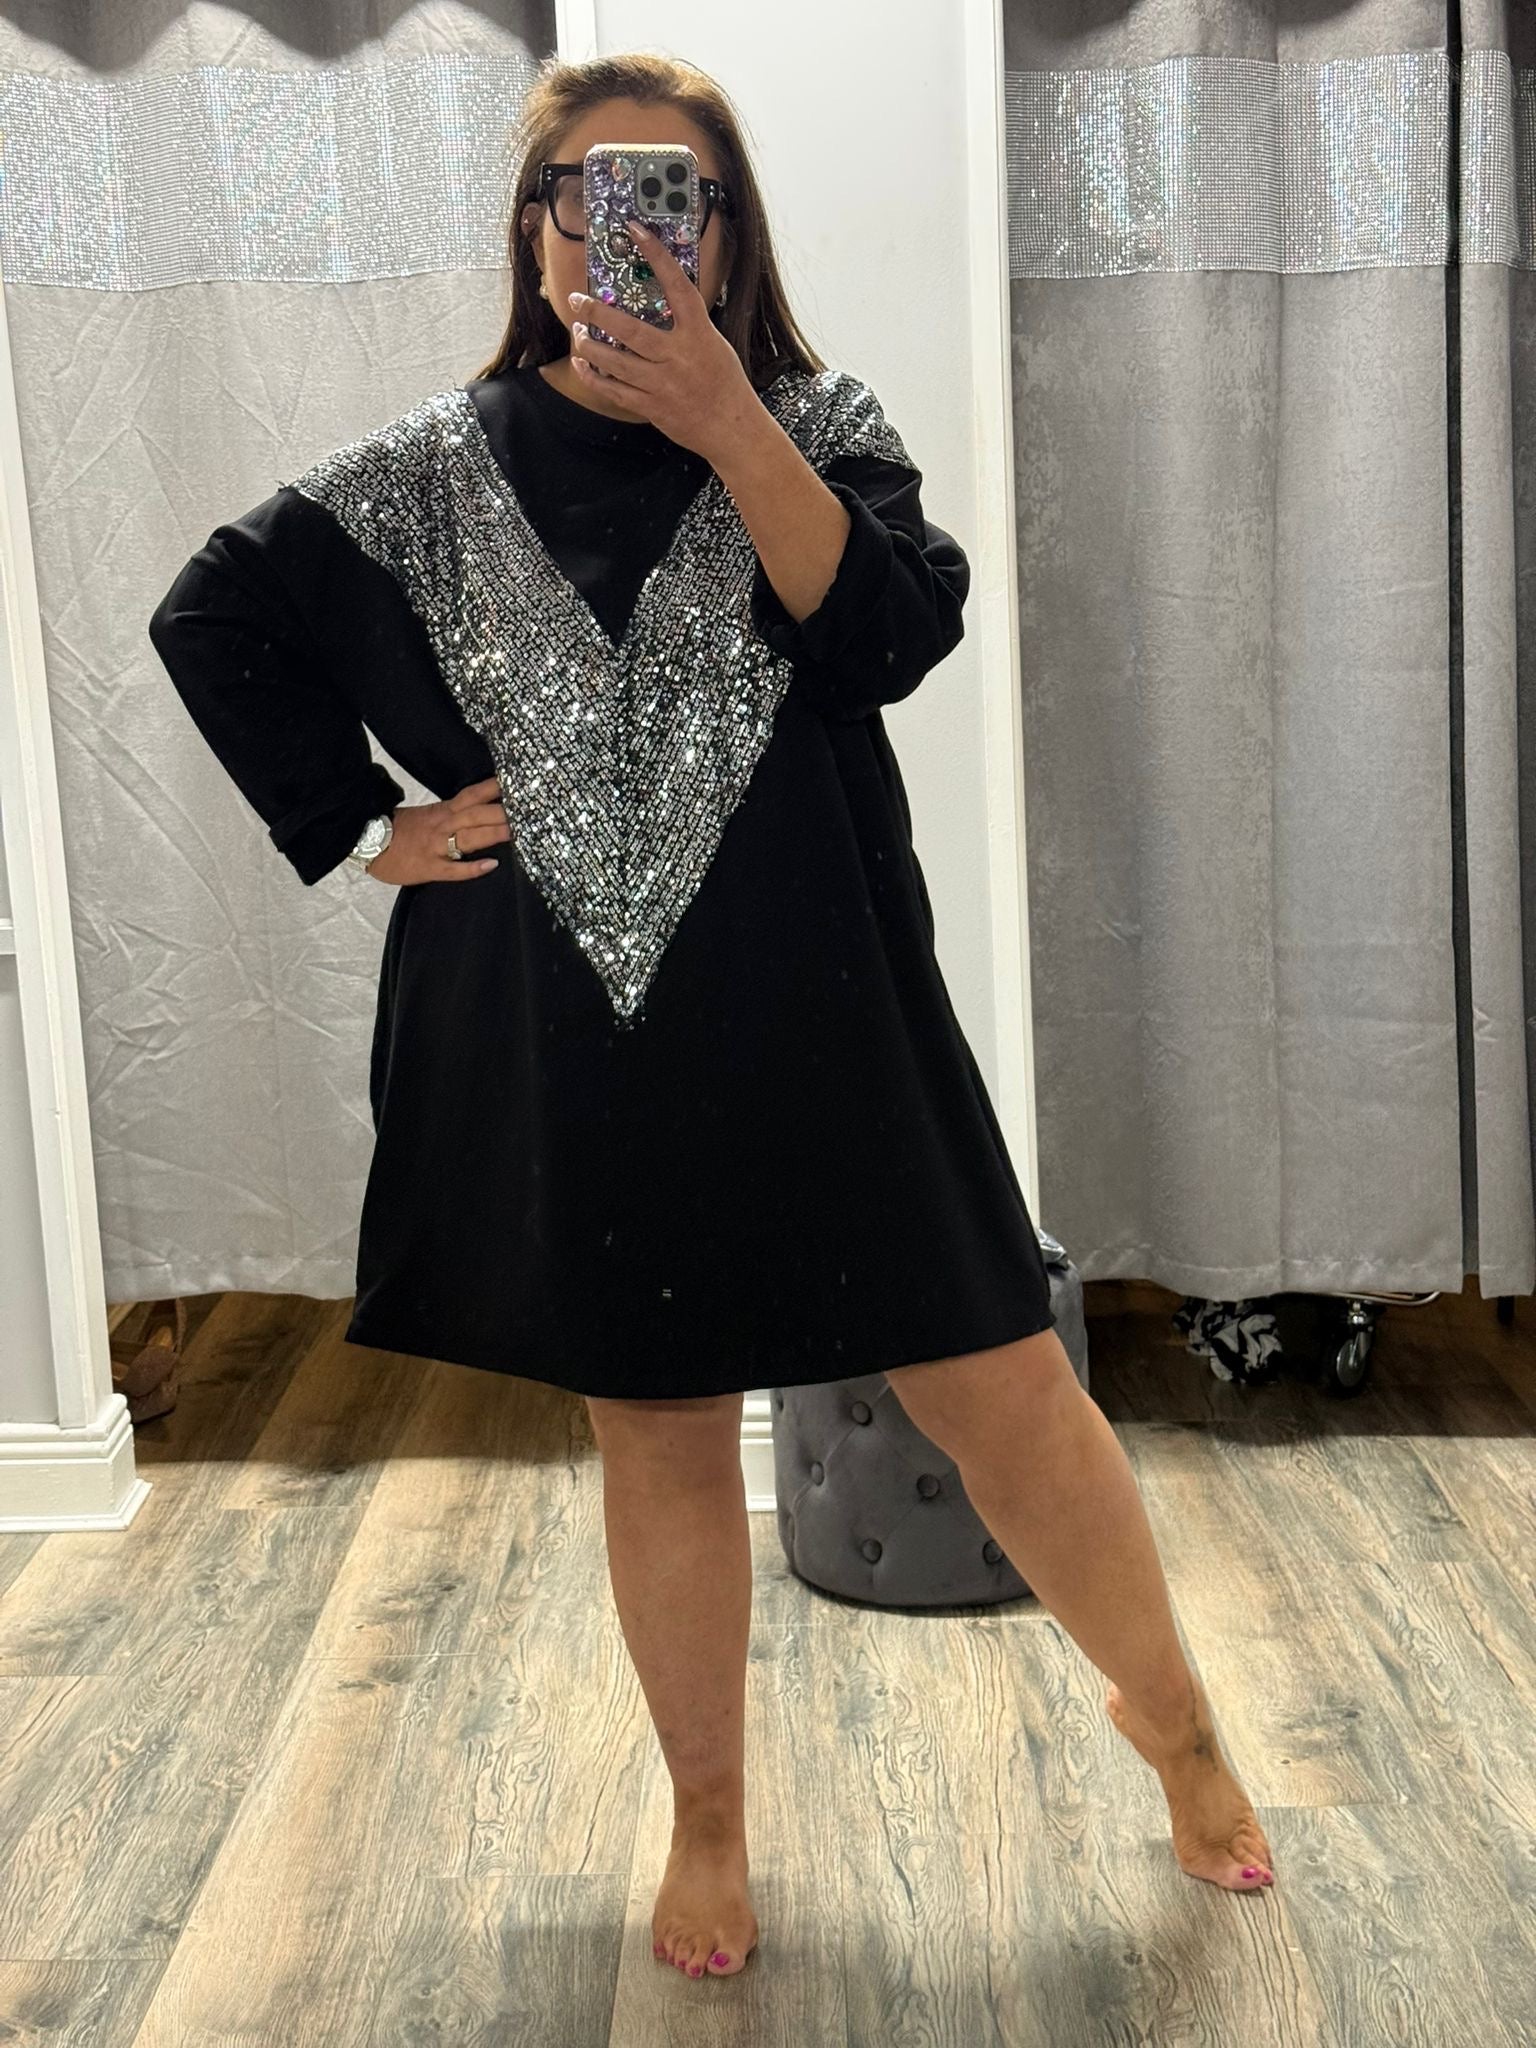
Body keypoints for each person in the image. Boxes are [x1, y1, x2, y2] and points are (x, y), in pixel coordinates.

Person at [147, 50, 1274, 1989]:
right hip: (563, 1017)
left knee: (1003, 1387)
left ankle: (1177, 1728)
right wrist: (356, 826)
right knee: (659, 1429)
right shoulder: (426, 469)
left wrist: (732, 423)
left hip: (832, 1003)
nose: (633, 227)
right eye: (588, 192)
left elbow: (889, 638)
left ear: (731, 235)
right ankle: (709, 1813)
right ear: (537, 234)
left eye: (677, 194)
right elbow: (212, 614)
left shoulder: (818, 428)